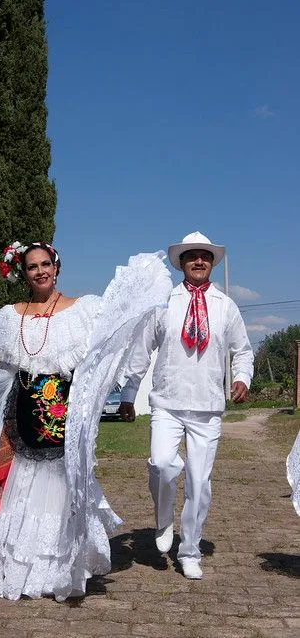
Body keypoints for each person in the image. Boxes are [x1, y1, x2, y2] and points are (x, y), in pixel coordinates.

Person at [0, 239, 172, 601]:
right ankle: (18, 569)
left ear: (56, 267)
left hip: (65, 421)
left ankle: (59, 570)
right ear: (23, 274)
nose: (39, 271)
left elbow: (107, 339)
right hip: (23, 419)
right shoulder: (10, 316)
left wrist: (139, 292)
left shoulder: (83, 310)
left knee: (60, 490)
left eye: (44, 264)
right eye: (31, 267)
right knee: (20, 492)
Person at [119, 231, 254, 580]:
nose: (198, 261)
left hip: (207, 406)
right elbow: (140, 351)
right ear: (181, 263)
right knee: (163, 464)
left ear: (211, 263)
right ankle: (163, 519)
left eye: (205, 256)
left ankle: (190, 550)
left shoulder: (226, 305)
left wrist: (242, 378)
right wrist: (128, 395)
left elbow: (243, 350)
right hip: (167, 401)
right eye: (192, 255)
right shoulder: (163, 302)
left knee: (199, 482)